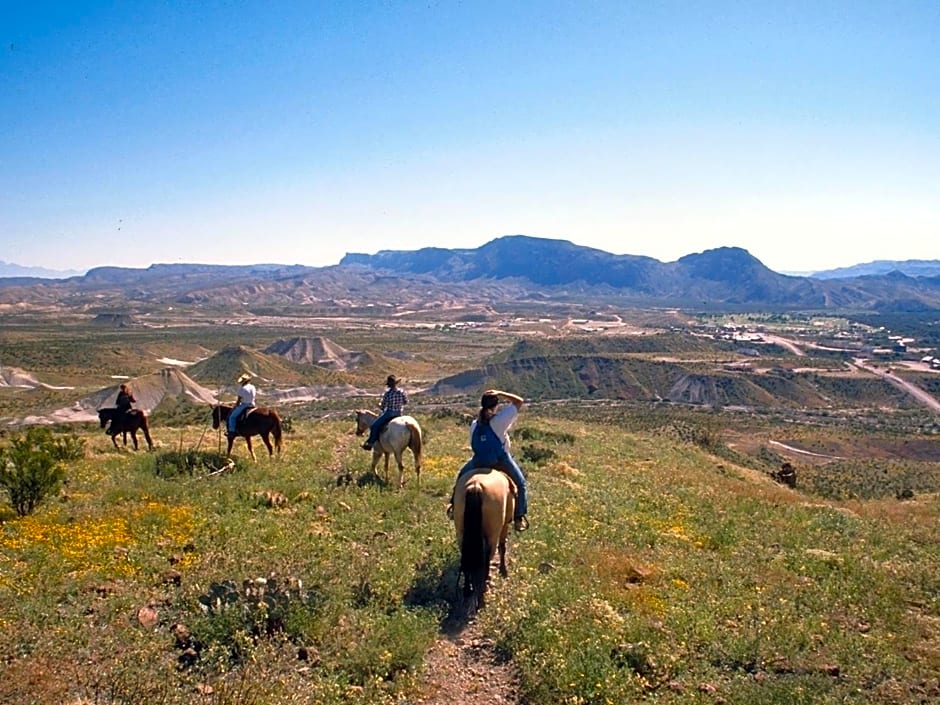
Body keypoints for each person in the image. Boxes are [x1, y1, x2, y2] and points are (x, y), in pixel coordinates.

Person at [447, 389, 529, 532]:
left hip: (478, 460)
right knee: (521, 484)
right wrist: (500, 393)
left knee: (461, 477)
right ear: (496, 405)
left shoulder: (475, 424)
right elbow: (518, 401)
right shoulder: (499, 421)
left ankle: (454, 506)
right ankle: (519, 517)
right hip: (500, 460)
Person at [362, 375, 408, 450]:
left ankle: (370, 443)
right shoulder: (402, 392)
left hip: (389, 413)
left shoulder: (388, 393)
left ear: (389, 385)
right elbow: (405, 402)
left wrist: (380, 406)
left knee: (374, 426)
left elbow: (383, 406)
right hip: (399, 413)